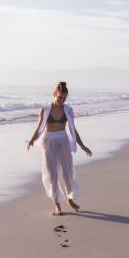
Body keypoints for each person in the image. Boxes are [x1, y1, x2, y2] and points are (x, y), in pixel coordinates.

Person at [27, 82, 92, 216]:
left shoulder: (68, 110)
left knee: (67, 173)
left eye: (64, 98)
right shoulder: (45, 109)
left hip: (63, 141)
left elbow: (73, 130)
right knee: (52, 175)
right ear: (54, 94)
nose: (62, 100)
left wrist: (82, 145)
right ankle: (57, 206)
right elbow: (39, 127)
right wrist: (32, 140)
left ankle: (69, 198)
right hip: (48, 142)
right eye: (60, 97)